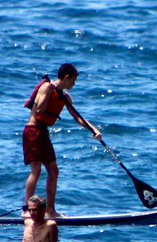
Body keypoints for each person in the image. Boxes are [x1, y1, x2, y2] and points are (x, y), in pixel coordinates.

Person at [22, 62, 101, 216]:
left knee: (53, 170)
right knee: (36, 170)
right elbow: (39, 110)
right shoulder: (46, 87)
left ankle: (51, 211)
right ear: (66, 77)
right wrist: (49, 92)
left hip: (43, 132)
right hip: (32, 131)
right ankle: (26, 210)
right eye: (73, 80)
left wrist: (94, 129)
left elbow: (77, 117)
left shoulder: (64, 96)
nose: (74, 84)